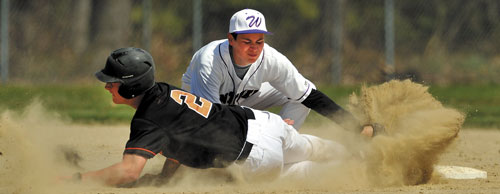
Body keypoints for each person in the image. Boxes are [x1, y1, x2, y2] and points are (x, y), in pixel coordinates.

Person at [63, 47, 352, 186]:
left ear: (130, 85)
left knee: (298, 174)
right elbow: (182, 133)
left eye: (112, 82)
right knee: (313, 148)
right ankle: (364, 153)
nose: (107, 86)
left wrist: (78, 179)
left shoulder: (148, 119)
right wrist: (167, 176)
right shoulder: (164, 91)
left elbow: (129, 171)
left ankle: (356, 170)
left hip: (254, 156)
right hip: (261, 122)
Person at [181, 8, 381, 136]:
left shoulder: (271, 59)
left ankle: (279, 144)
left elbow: (311, 96)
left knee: (301, 94)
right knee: (207, 138)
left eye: (259, 41)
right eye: (246, 41)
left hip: (238, 103)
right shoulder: (209, 60)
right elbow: (212, 117)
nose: (254, 48)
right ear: (231, 40)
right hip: (196, 113)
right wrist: (265, 124)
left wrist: (357, 128)